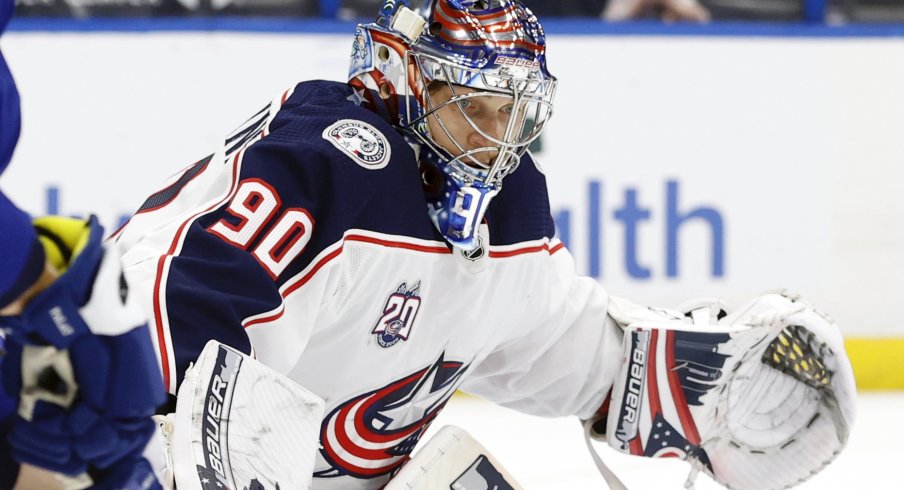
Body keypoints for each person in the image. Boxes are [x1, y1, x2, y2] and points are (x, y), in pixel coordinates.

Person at [3, 0, 855, 489]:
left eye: (511, 111)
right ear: (400, 80)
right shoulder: (321, 169)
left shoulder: (508, 208)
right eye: (472, 104)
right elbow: (144, 367)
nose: (493, 136)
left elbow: (553, 340)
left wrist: (689, 385)